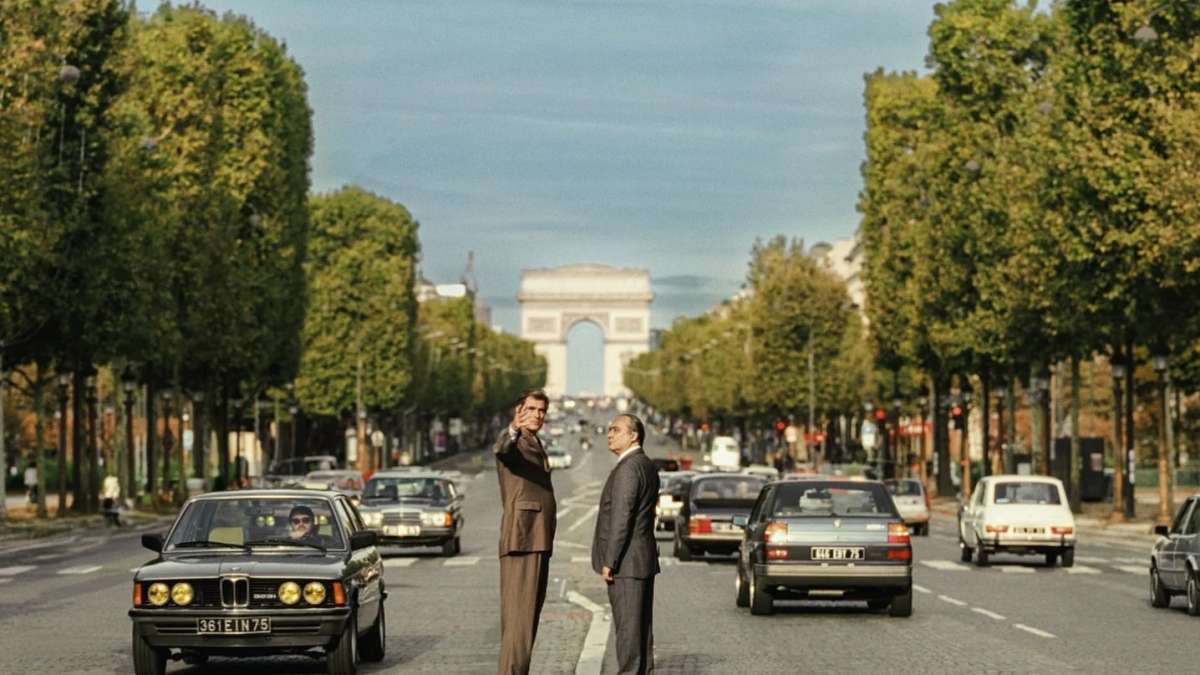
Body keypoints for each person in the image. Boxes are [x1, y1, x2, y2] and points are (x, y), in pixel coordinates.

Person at [493, 390, 556, 675]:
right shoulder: (515, 441)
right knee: (519, 623)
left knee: (525, 622)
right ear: (518, 411)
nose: (537, 415)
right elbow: (502, 450)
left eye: (541, 410)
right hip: (524, 537)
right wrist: (512, 430)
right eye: (530, 409)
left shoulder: (535, 440)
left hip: (535, 537)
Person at [591, 414, 660, 675]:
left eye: (616, 430)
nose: (609, 434)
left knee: (629, 635)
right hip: (641, 560)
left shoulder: (628, 468)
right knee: (641, 633)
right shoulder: (646, 464)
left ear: (634, 435)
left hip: (627, 563)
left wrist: (610, 561)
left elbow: (622, 517)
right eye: (609, 429)